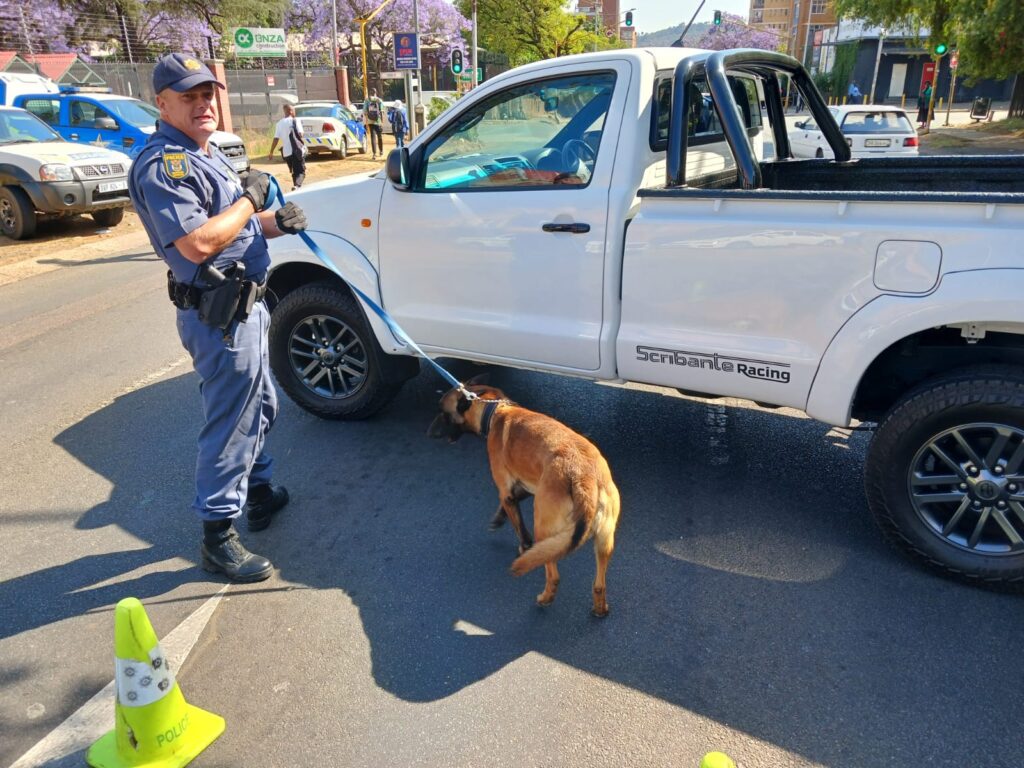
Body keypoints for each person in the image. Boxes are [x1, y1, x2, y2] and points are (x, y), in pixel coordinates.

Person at [128, 53, 308, 583]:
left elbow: (233, 230)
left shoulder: (203, 155)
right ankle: (217, 535)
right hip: (221, 315)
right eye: (189, 96)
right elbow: (200, 241)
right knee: (232, 421)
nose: (203, 103)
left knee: (262, 405)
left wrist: (276, 221)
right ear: (162, 104)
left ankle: (257, 492)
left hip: (246, 304)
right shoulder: (165, 164)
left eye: (208, 93)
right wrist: (253, 202)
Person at [268, 103, 306, 190]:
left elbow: (276, 139)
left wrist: (271, 152)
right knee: (301, 172)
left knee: (294, 172)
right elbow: (300, 134)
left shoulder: (279, 124)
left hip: (286, 153)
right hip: (297, 151)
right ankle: (297, 186)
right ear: (291, 111)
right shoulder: (295, 120)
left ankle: (296, 189)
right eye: (294, 111)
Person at [363, 88, 385, 159]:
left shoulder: (367, 100)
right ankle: (381, 151)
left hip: (370, 121)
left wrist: (366, 122)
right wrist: (382, 122)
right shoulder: (379, 100)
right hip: (378, 121)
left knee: (373, 137)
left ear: (370, 93)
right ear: (376, 93)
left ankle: (374, 154)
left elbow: (365, 112)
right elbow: (382, 112)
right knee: (379, 137)